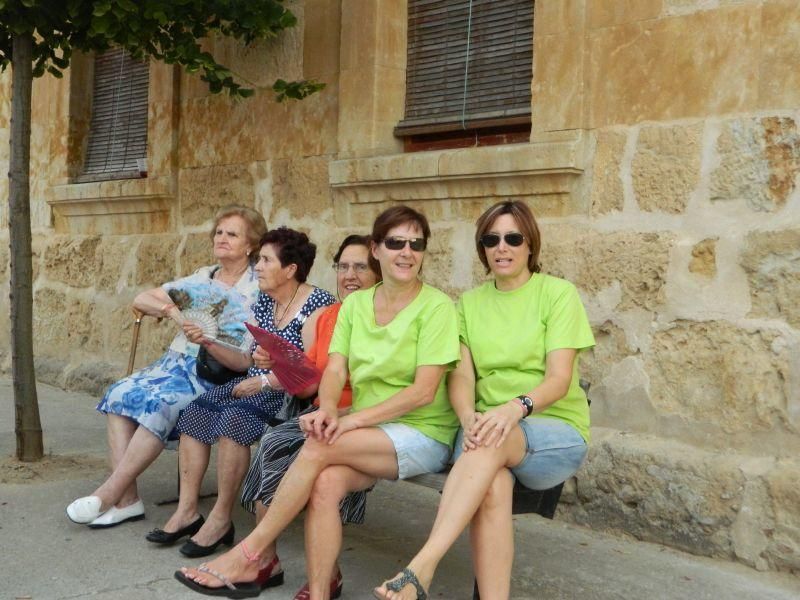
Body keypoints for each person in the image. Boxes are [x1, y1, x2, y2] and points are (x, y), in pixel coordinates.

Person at [174, 205, 460, 599]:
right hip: (367, 427)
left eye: (416, 244)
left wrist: (348, 421)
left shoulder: (437, 307)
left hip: (420, 431)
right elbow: (336, 370)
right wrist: (327, 410)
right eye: (396, 243)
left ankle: (251, 552)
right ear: (377, 248)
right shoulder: (357, 306)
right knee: (325, 483)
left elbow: (423, 392)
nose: (407, 252)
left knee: (317, 445)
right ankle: (321, 591)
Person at [373, 200, 596, 600]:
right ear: (482, 247)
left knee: (492, 441)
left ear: (531, 245)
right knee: (492, 483)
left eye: (513, 238)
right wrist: (466, 417)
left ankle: (422, 566)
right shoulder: (468, 304)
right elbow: (462, 376)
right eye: (491, 239)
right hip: (484, 432)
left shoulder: (558, 295)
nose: (502, 247)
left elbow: (560, 379)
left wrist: (515, 408)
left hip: (549, 429)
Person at [66, 205, 267, 528]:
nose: (222, 239)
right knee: (120, 394)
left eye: (232, 234)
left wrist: (208, 337)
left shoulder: (257, 287)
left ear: (250, 245)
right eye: (219, 232)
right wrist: (175, 313)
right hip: (173, 363)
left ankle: (109, 493)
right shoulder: (202, 277)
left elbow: (249, 344)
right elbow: (142, 299)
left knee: (157, 404)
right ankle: (128, 500)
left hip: (214, 371)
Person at [148, 227, 336, 558]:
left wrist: (265, 378)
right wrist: (207, 340)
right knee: (196, 412)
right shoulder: (264, 301)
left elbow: (311, 373)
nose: (258, 267)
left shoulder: (318, 304)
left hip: (289, 393)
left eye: (265, 260)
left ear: (290, 269)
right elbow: (245, 360)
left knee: (235, 420)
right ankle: (187, 511)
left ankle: (221, 518)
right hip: (252, 383)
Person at [238, 234, 380, 600]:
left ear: (378, 271)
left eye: (360, 267)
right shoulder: (328, 315)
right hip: (323, 412)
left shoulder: (381, 315)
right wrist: (280, 363)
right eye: (343, 267)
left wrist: (340, 414)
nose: (349, 275)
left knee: (293, 450)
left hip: (365, 418)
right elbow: (306, 388)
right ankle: (266, 557)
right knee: (275, 442)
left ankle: (280, 561)